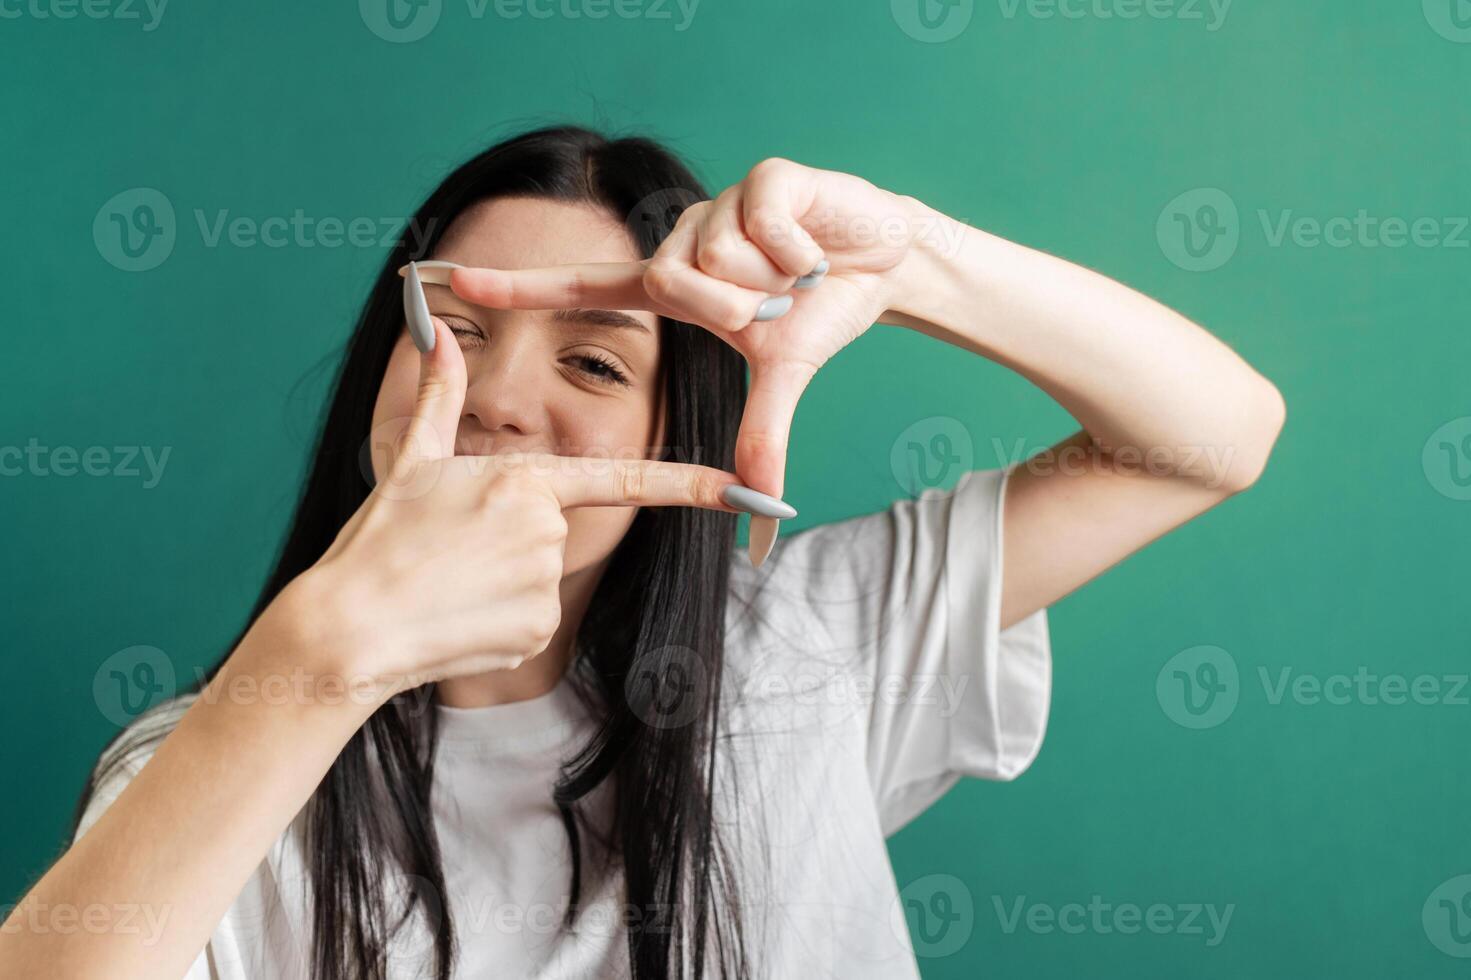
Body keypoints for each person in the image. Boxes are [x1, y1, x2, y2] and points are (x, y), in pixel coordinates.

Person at [0, 125, 1285, 980]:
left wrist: (915, 257)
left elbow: (1212, 438)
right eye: (447, 329)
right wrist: (325, 655)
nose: (499, 398)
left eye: (595, 358)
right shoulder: (210, 758)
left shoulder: (804, 651)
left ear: (679, 430)